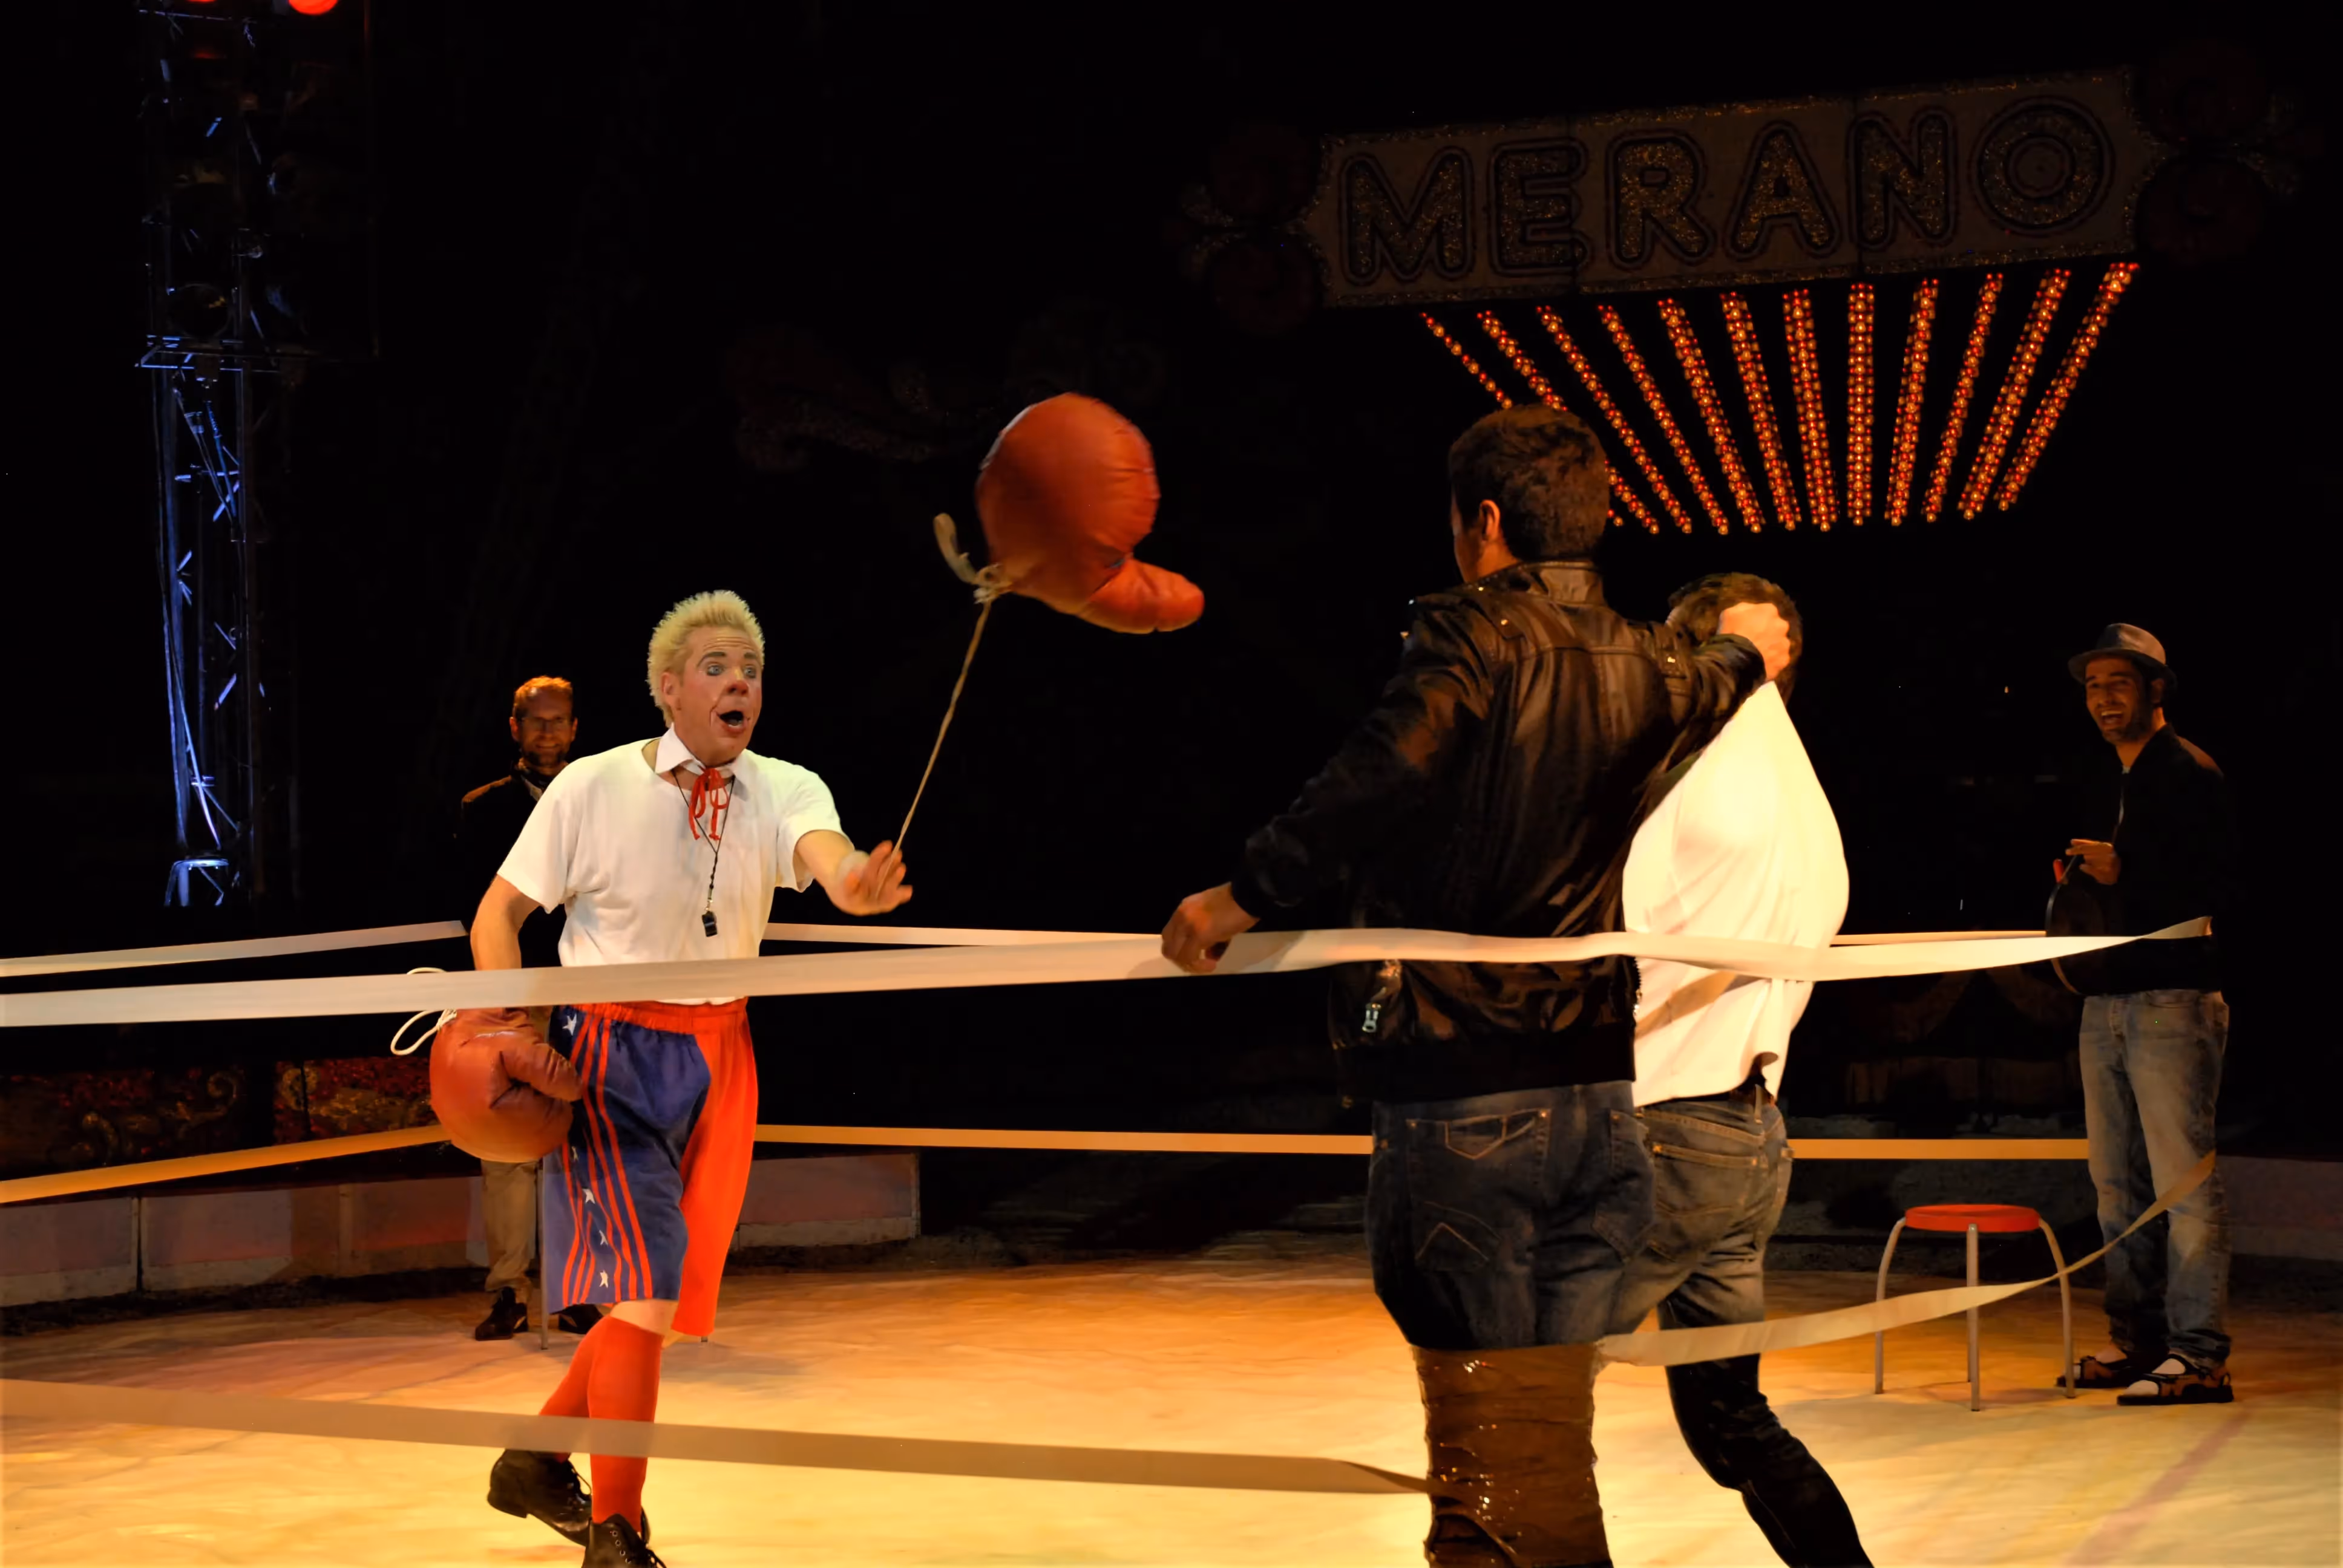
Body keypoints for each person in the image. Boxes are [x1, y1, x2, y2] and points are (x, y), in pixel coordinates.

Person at [1161, 407, 1791, 1568]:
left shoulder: (1474, 635)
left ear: (1484, 522)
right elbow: (1718, 677)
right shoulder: (1653, 663)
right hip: (1598, 1108)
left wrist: (1241, 894)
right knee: (1539, 1438)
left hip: (1465, 1091)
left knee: (1488, 1446)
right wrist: (1752, 652)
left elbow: (1378, 774)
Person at [470, 589, 913, 1567]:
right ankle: (618, 1532)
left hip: (724, 1053)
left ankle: (535, 1459)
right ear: (668, 689)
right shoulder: (592, 785)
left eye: (750, 669)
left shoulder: (786, 786)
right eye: (716, 667)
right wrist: (504, 1030)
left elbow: (831, 862)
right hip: (611, 1054)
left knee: (659, 1311)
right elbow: (498, 914)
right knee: (644, 1299)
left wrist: (858, 886)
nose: (738, 682)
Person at [1611, 573, 1871, 1568]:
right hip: (1748, 1131)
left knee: (1521, 1381)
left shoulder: (1693, 778)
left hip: (1665, 1127)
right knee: (1731, 1421)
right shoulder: (1804, 797)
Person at [2049, 624, 2238, 1406]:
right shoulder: (2100, 776)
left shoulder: (2189, 772)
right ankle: (2137, 1342)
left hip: (2171, 999)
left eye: (2118, 684)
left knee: (2182, 1183)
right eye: (2092, 687)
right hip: (2106, 999)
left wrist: (2125, 872)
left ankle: (2199, 1354)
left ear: (2155, 690)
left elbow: (2219, 885)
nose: (2102, 699)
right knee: (2115, 1185)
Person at [456, 675, 582, 1341]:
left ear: (574, 728)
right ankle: (509, 1288)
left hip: (587, 995)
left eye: (558, 720)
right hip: (512, 999)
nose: (547, 731)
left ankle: (578, 1289)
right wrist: (496, 1002)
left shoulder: (597, 803)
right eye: (537, 720)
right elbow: (475, 911)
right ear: (515, 728)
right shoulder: (484, 808)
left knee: (580, 1142)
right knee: (507, 1148)